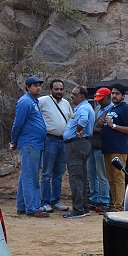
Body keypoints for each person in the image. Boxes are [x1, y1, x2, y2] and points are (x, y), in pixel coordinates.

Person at [10, 76, 48, 217]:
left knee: (26, 174)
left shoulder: (33, 102)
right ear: (27, 87)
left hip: (35, 142)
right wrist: (14, 141)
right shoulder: (25, 102)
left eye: (39, 85)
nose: (38, 88)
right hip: (29, 142)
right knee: (31, 175)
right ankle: (32, 208)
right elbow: (18, 123)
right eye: (35, 85)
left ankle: (22, 206)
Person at [38, 79, 73, 212]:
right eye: (56, 89)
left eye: (61, 89)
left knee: (59, 173)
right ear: (50, 90)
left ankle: (56, 201)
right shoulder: (43, 101)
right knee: (46, 173)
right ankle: (45, 202)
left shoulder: (66, 103)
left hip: (63, 141)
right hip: (49, 140)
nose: (59, 91)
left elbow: (70, 120)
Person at [99, 83, 128, 212]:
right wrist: (104, 124)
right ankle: (113, 204)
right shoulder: (111, 109)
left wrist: (113, 125)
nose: (114, 96)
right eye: (112, 93)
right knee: (111, 179)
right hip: (108, 148)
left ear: (123, 96)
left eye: (117, 94)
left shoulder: (125, 109)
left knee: (119, 178)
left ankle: (119, 206)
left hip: (119, 149)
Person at [62, 86, 95, 218]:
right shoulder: (84, 107)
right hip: (82, 144)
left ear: (82, 96)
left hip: (76, 144)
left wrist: (78, 130)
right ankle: (84, 207)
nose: (72, 96)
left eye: (74, 94)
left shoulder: (83, 108)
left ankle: (78, 209)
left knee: (75, 177)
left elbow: (83, 120)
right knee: (81, 176)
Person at [87, 87, 112, 213]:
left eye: (101, 99)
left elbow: (109, 130)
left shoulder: (112, 110)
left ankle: (104, 200)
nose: (99, 102)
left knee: (102, 175)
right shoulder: (98, 109)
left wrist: (93, 129)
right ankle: (94, 199)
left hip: (101, 146)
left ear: (108, 97)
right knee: (92, 174)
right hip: (93, 144)